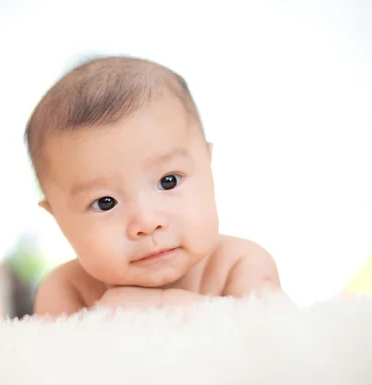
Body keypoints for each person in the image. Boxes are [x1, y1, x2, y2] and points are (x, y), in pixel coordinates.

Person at [25, 55, 283, 317]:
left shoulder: (241, 264)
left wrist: (161, 305)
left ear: (208, 164)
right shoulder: (66, 290)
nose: (147, 223)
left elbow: (270, 334)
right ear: (57, 218)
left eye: (168, 181)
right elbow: (57, 355)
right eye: (105, 202)